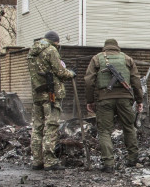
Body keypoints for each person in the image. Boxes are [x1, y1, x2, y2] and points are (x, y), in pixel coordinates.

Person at [84, 38, 142, 172]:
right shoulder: (127, 59)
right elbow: (136, 81)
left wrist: (89, 101)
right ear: (117, 47)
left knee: (104, 131)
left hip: (104, 99)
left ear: (105, 48)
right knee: (129, 127)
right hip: (125, 98)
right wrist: (139, 101)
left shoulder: (97, 59)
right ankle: (133, 159)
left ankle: (109, 163)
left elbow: (89, 81)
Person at [27, 31, 75, 171]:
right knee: (51, 126)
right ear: (55, 42)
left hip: (37, 94)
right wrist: (71, 73)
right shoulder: (50, 50)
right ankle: (49, 160)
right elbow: (60, 71)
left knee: (37, 127)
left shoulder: (32, 52)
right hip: (51, 94)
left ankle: (37, 160)